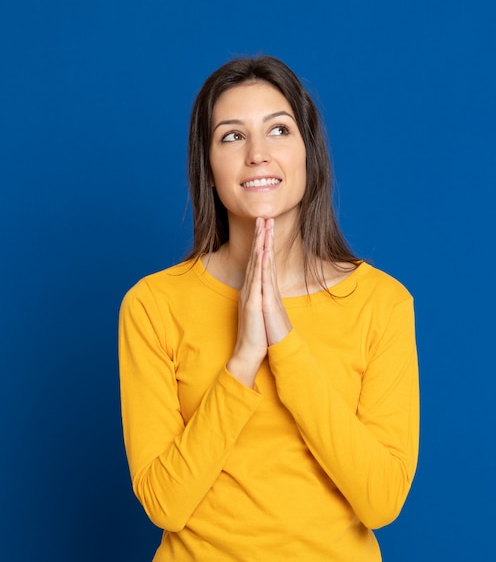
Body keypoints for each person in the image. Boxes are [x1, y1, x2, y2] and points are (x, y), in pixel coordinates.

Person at [118, 55, 419, 561]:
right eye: (232, 136)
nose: (258, 154)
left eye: (278, 130)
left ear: (309, 156)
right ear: (209, 168)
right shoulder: (152, 305)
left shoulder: (380, 302)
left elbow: (381, 501)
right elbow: (165, 505)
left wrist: (286, 347)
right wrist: (242, 361)